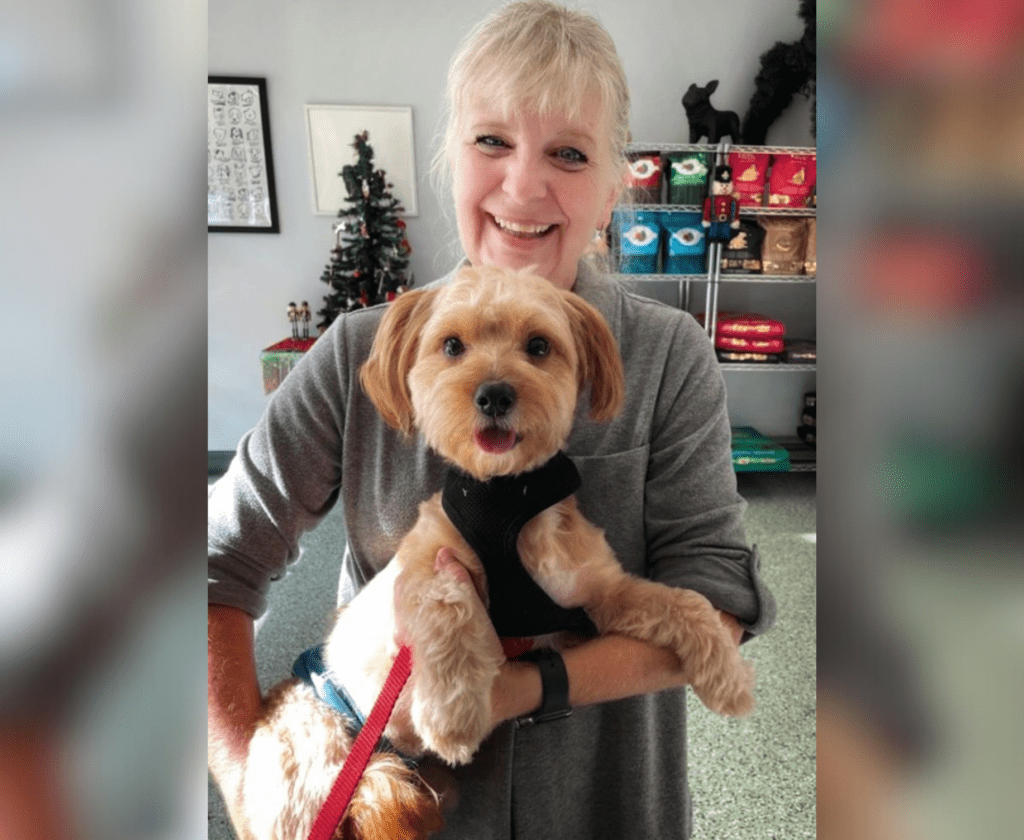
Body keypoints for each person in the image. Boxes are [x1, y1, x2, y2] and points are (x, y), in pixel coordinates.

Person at [208, 2, 776, 838]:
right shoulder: (359, 352)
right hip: (400, 811)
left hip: (606, 805)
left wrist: (517, 689)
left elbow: (717, 602)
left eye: (569, 154)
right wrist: (242, 773)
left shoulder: (666, 359)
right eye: (491, 142)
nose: (522, 186)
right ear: (452, 157)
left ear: (615, 184)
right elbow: (215, 561)